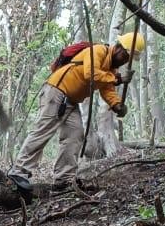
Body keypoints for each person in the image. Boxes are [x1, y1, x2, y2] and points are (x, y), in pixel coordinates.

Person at [13, 32, 144, 185]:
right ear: (118, 48)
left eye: (128, 59)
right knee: (43, 130)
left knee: (75, 135)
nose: (124, 61)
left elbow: (107, 89)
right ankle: (19, 171)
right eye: (125, 56)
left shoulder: (110, 69)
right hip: (56, 92)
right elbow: (91, 74)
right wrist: (119, 79)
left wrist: (117, 105)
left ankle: (64, 178)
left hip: (71, 101)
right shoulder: (98, 51)